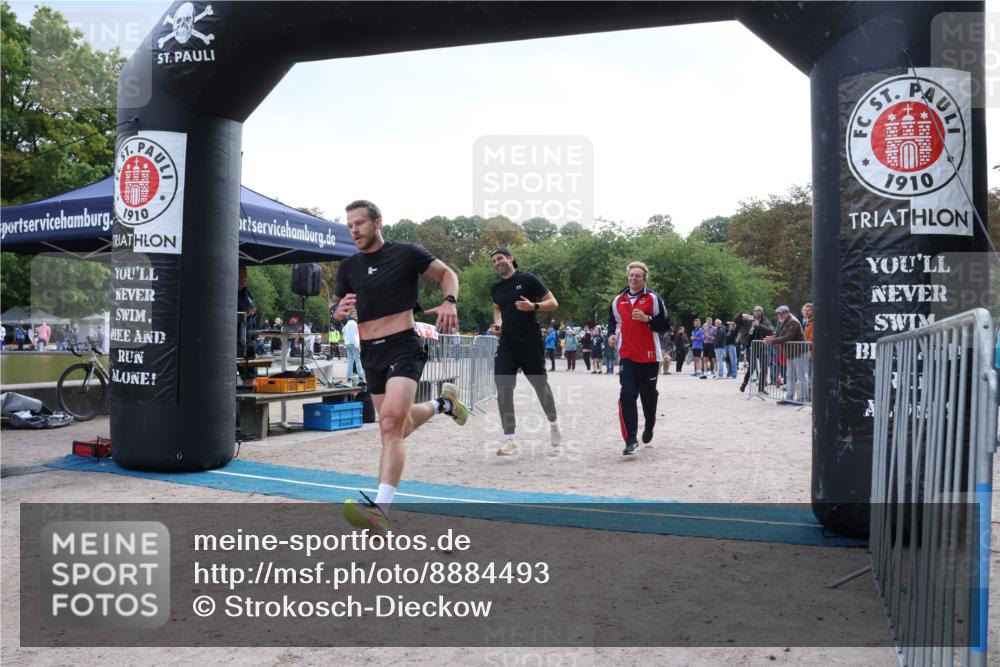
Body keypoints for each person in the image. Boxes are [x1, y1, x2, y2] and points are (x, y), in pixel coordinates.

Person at [330, 199, 468, 531]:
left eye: (360, 224)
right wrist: (337, 313)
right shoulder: (348, 267)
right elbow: (336, 308)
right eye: (350, 226)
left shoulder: (406, 253)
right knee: (399, 426)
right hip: (370, 352)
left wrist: (449, 301)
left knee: (390, 425)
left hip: (403, 346)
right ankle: (444, 404)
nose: (354, 231)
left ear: (377, 222)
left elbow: (447, 274)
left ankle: (380, 511)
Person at [488, 247, 561, 456]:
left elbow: (553, 303)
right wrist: (499, 325)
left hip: (530, 342)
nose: (497, 263)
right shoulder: (496, 287)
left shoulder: (527, 279)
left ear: (511, 258)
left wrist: (534, 306)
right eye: (494, 261)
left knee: (540, 385)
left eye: (500, 258)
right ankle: (510, 438)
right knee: (503, 385)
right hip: (507, 343)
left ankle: (554, 423)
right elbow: (497, 308)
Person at [607, 261, 671, 456]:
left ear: (644, 279)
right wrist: (611, 334)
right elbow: (612, 322)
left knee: (648, 397)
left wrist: (648, 319)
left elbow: (666, 325)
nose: (633, 278)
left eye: (638, 275)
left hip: (650, 356)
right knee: (627, 395)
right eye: (631, 275)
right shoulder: (618, 300)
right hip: (627, 355)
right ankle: (631, 440)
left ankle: (649, 425)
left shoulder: (653, 298)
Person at [766, 305, 806, 404]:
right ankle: (789, 397)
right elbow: (778, 335)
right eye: (778, 314)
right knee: (790, 376)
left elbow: (787, 337)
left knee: (801, 376)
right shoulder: (782, 321)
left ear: (787, 313)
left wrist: (772, 340)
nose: (779, 315)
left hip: (799, 352)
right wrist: (770, 338)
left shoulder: (793, 321)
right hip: (791, 352)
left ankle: (803, 398)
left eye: (781, 313)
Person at [740, 306, 774, 393]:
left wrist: (759, 325)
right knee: (752, 367)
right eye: (755, 311)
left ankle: (761, 388)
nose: (756, 312)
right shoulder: (749, 319)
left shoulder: (765, 321)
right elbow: (736, 320)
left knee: (764, 367)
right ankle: (744, 383)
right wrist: (741, 315)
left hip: (762, 346)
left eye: (758, 311)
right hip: (751, 346)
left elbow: (770, 331)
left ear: (761, 312)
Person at [237, 266, 256, 358]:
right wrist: (246, 313)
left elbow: (252, 306)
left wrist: (253, 310)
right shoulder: (233, 292)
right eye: (242, 273)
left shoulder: (247, 292)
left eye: (246, 273)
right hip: (239, 337)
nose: (245, 277)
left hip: (249, 335)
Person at [342, 311, 364, 382]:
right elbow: (354, 335)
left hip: (348, 343)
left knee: (350, 361)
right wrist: (356, 344)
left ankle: (349, 377)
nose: (356, 315)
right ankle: (360, 376)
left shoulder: (347, 324)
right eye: (355, 314)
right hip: (353, 343)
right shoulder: (353, 323)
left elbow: (343, 331)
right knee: (358, 360)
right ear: (351, 315)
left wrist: (345, 342)